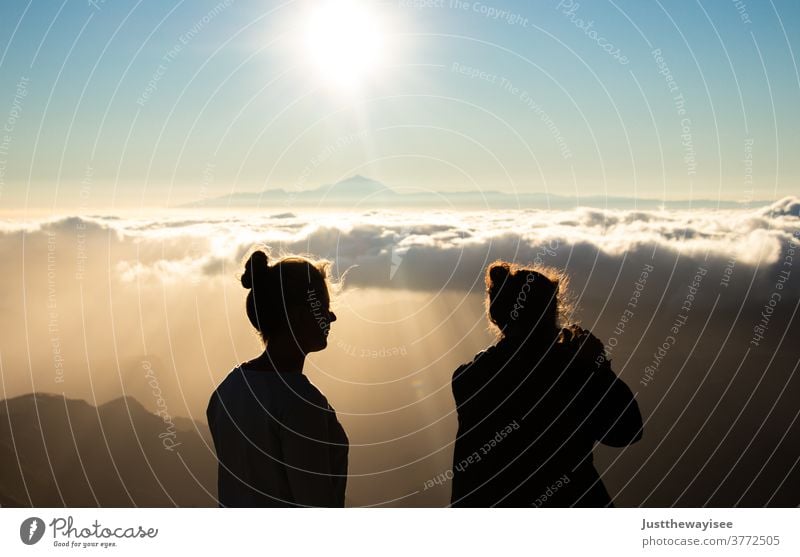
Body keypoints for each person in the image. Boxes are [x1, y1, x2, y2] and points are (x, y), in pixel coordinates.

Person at [450, 260, 643, 507]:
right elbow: (626, 431)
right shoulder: (572, 372)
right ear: (550, 313)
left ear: (495, 316)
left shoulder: (468, 378)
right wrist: (597, 366)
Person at [206, 249, 348, 507]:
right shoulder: (301, 403)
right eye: (323, 308)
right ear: (298, 316)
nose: (331, 317)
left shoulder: (227, 391)